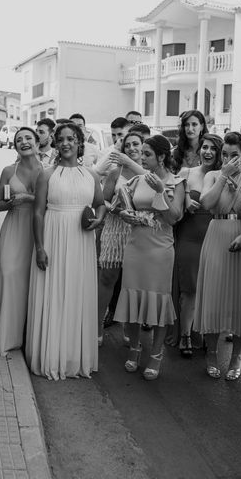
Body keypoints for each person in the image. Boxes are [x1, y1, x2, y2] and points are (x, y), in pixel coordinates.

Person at [26, 123, 106, 380]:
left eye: (71, 139)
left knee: (76, 293)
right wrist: (39, 247)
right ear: (55, 143)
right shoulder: (47, 175)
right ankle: (51, 354)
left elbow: (101, 204)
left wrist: (99, 219)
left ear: (79, 142)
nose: (66, 143)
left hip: (81, 242)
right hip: (53, 236)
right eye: (61, 139)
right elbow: (38, 212)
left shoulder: (91, 176)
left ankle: (72, 355)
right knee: (54, 293)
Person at [115, 135, 186, 380]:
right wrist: (126, 215)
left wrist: (160, 192)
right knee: (132, 298)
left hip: (160, 249)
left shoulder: (176, 182)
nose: (141, 157)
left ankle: (156, 354)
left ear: (162, 157)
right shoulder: (137, 180)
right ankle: (135, 349)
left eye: (147, 154)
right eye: (141, 153)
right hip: (136, 245)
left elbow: (174, 218)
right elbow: (124, 207)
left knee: (158, 301)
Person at [193, 132, 241, 379]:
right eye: (225, 154)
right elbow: (207, 203)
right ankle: (211, 353)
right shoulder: (212, 175)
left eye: (235, 155)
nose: (228, 159)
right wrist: (223, 176)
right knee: (214, 293)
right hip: (216, 233)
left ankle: (237, 357)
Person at [0, 128, 42, 356]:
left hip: (37, 229)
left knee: (31, 281)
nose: (24, 142)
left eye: (28, 138)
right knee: (8, 275)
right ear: (15, 146)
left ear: (37, 142)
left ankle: (29, 336)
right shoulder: (9, 170)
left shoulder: (46, 171)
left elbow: (50, 201)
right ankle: (6, 336)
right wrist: (8, 203)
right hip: (14, 226)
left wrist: (28, 197)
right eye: (19, 140)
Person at [173, 133, 222, 357]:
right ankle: (185, 334)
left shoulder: (222, 176)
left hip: (213, 237)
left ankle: (202, 330)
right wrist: (185, 200)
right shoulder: (186, 173)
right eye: (204, 147)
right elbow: (172, 199)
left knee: (209, 289)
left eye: (213, 148)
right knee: (190, 288)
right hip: (189, 237)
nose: (207, 152)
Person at [97, 132, 146, 346]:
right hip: (115, 229)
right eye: (128, 145)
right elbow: (102, 201)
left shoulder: (149, 172)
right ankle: (97, 324)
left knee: (132, 282)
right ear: (122, 149)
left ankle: (129, 327)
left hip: (139, 232)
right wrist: (116, 210)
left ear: (144, 146)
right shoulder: (116, 172)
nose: (132, 148)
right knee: (108, 278)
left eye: (136, 144)